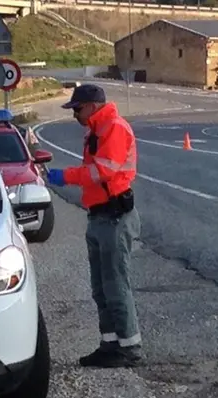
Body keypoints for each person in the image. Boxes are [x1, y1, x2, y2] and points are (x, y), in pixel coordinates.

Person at [46, 84, 143, 368]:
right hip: (100, 216)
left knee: (115, 285)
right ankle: (110, 343)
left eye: (77, 108)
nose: (74, 114)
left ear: (91, 106)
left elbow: (102, 171)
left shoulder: (112, 127)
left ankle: (129, 346)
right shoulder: (97, 129)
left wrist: (63, 176)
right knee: (101, 287)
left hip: (114, 217)